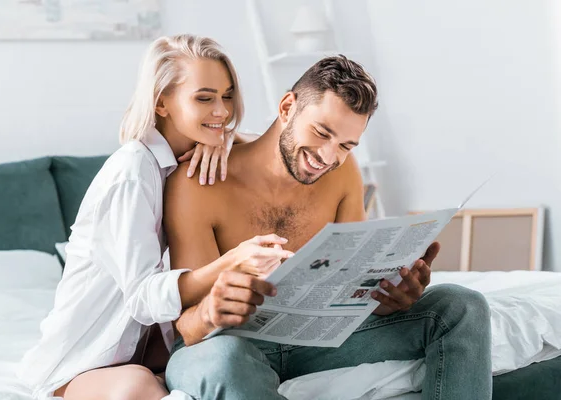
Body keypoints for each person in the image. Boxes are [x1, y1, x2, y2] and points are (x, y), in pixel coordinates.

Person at [162, 55, 493, 399]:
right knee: (223, 360)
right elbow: (185, 328)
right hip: (228, 342)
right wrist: (210, 309)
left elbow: (352, 292)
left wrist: (391, 298)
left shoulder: (342, 173)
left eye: (346, 146)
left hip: (315, 343)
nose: (328, 157)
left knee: (461, 306)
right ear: (288, 107)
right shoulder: (199, 184)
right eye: (322, 132)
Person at [16, 34, 293, 400]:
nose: (222, 111)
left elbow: (278, 155)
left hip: (153, 353)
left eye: (227, 96)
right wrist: (233, 261)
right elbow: (143, 298)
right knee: (137, 389)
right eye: (204, 98)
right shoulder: (133, 171)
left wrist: (232, 139)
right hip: (86, 363)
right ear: (162, 103)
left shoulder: (189, 162)